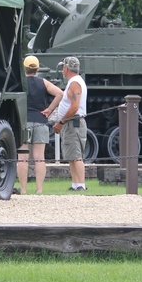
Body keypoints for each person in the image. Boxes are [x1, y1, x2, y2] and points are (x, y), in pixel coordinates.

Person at [18, 55, 64, 195]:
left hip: (23, 122)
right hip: (40, 121)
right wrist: (49, 109)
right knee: (39, 157)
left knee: (22, 157)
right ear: (37, 69)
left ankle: (23, 190)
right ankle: (39, 189)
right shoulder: (43, 82)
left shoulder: (20, 83)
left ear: (24, 68)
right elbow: (60, 93)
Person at [52, 56, 88, 191]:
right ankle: (75, 184)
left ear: (66, 68)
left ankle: (81, 185)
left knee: (76, 155)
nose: (62, 69)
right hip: (72, 122)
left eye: (63, 67)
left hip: (73, 123)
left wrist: (61, 122)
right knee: (72, 155)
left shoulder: (74, 83)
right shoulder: (76, 81)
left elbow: (74, 107)